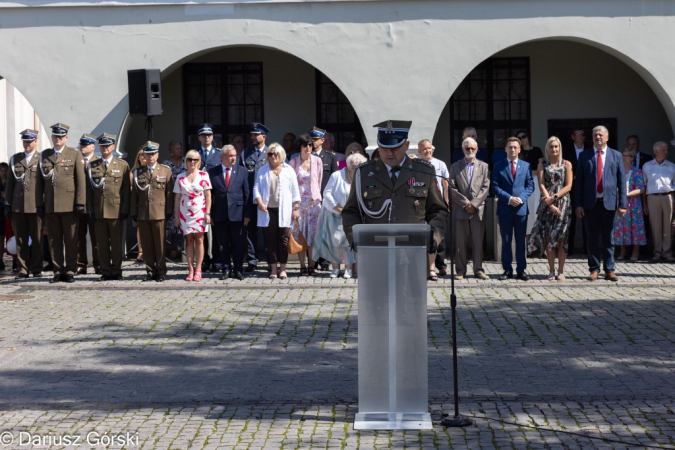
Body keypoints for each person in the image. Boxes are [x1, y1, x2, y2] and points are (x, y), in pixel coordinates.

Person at [342, 120, 448, 280]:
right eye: (384, 148)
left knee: (411, 303)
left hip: (413, 255)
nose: (389, 153)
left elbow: (438, 211)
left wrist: (435, 236)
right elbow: (351, 211)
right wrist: (355, 237)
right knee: (377, 303)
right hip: (375, 255)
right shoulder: (363, 174)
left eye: (395, 148)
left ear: (406, 145)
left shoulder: (424, 172)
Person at [574, 126, 627, 281]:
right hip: (590, 204)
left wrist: (622, 204)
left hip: (609, 203)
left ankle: (609, 269)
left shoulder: (616, 156)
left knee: (609, 238)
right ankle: (594, 269)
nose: (598, 137)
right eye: (595, 135)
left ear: (607, 137)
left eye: (600, 135)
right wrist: (578, 204)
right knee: (591, 238)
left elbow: (622, 182)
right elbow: (579, 184)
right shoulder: (584, 156)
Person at [40, 123, 86, 283]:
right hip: (51, 206)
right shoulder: (45, 156)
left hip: (69, 205)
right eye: (55, 136)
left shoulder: (74, 154)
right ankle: (58, 270)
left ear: (66, 138)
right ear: (52, 138)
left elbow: (81, 180)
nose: (58, 139)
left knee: (71, 239)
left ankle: (71, 270)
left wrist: (80, 202)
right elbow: (40, 182)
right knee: (54, 240)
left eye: (61, 136)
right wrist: (40, 203)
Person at [527, 136, 573, 280]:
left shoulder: (566, 164)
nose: (554, 149)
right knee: (549, 239)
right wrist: (549, 202)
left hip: (563, 204)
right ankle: (551, 270)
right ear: (547, 148)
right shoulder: (542, 164)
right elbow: (541, 184)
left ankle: (561, 271)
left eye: (556, 146)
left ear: (560, 148)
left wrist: (554, 198)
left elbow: (568, 185)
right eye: (551, 146)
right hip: (547, 205)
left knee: (561, 239)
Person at [313, 153, 366, 279]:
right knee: (334, 242)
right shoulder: (337, 175)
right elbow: (327, 193)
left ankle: (348, 269)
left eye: (359, 167)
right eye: (354, 167)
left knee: (348, 242)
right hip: (334, 213)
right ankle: (335, 268)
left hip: (352, 215)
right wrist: (339, 208)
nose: (356, 170)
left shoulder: (362, 177)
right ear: (349, 166)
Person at [86, 133, 130, 281]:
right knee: (102, 244)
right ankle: (105, 270)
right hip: (99, 211)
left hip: (116, 210)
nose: (105, 148)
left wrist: (125, 209)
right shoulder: (92, 166)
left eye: (108, 145)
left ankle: (116, 270)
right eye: (102, 145)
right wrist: (90, 210)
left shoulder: (122, 165)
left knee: (117, 244)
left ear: (113, 146)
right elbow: (88, 191)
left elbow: (125, 190)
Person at [253, 143, 300, 279]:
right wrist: (260, 202)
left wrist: (296, 208)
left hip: (284, 210)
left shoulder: (289, 170)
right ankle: (273, 269)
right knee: (270, 240)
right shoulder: (262, 170)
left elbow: (295, 191)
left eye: (276, 154)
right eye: (270, 154)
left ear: (281, 155)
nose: (273, 157)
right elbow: (256, 188)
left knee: (283, 239)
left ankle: (283, 269)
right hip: (267, 210)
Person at [130, 141, 174, 282]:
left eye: (153, 154)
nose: (150, 157)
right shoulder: (138, 172)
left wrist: (169, 211)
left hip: (160, 212)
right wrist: (133, 212)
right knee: (147, 244)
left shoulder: (165, 170)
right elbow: (134, 195)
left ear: (157, 155)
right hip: (143, 213)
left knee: (160, 244)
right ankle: (150, 270)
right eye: (148, 154)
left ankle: (161, 270)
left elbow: (169, 193)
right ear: (144, 155)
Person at [492, 136, 534, 281]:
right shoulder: (498, 166)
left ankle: (521, 270)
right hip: (505, 208)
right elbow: (495, 187)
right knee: (506, 240)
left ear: (519, 149)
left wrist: (520, 199)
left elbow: (530, 186)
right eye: (510, 147)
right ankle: (507, 269)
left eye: (515, 147)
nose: (512, 149)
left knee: (521, 241)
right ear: (505, 149)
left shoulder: (526, 165)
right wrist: (509, 199)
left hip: (521, 209)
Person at [449, 137, 490, 280]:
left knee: (478, 241)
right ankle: (460, 270)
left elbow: (485, 187)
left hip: (478, 209)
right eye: (468, 148)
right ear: (463, 150)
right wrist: (466, 203)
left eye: (473, 148)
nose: (470, 151)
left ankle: (478, 269)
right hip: (461, 209)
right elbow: (452, 188)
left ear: (477, 150)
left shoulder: (484, 166)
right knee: (460, 242)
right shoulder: (455, 167)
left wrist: (474, 204)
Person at [5, 129, 44, 278]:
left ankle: (36, 268)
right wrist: (8, 204)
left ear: (35, 141)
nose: (27, 144)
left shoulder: (41, 159)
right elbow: (10, 184)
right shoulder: (15, 159)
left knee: (37, 239)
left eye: (29, 141)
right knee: (20, 239)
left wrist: (43, 204)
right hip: (18, 205)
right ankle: (23, 268)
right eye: (25, 141)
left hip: (35, 205)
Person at [208, 145, 250, 280]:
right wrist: (210, 214)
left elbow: (246, 194)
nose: (233, 158)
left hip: (238, 214)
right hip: (219, 213)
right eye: (230, 156)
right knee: (222, 244)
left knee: (238, 243)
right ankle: (226, 268)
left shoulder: (242, 171)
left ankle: (238, 268)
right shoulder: (212, 172)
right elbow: (210, 195)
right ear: (222, 157)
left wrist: (247, 214)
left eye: (234, 155)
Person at [173, 149, 212, 282]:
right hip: (185, 213)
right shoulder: (180, 177)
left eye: (195, 160)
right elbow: (177, 198)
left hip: (200, 211)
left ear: (199, 161)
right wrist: (176, 217)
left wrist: (208, 213)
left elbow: (208, 195)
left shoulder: (204, 175)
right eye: (190, 159)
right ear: (186, 161)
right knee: (188, 240)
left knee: (200, 240)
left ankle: (199, 269)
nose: (193, 162)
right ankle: (190, 269)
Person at [289, 135, 323, 276]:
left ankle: (311, 265)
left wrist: (317, 198)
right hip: (299, 203)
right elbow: (290, 185)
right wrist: (294, 206)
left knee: (313, 235)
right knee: (300, 235)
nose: (308, 148)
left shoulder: (317, 161)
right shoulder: (293, 162)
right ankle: (302, 266)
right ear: (300, 147)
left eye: (310, 145)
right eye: (305, 145)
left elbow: (319, 181)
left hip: (313, 203)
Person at [239, 122, 270, 272]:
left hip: (267, 199)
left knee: (268, 230)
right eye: (251, 135)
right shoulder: (245, 153)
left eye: (255, 135)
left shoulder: (271, 152)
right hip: (250, 198)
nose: (252, 137)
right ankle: (252, 260)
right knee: (250, 231)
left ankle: (271, 260)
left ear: (263, 136)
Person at [418, 138, 450, 279]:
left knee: (439, 236)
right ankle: (426, 267)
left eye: (429, 148)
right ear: (419, 151)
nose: (427, 151)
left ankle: (441, 265)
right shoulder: (417, 165)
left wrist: (447, 201)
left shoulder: (440, 164)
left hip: (438, 203)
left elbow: (445, 183)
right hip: (423, 205)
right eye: (424, 149)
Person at [642, 141, 675, 262]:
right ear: (656, 151)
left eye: (666, 150)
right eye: (664, 150)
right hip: (652, 197)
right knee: (655, 226)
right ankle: (657, 251)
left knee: (668, 225)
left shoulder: (672, 166)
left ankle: (667, 252)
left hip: (668, 196)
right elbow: (643, 186)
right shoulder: (647, 166)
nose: (666, 152)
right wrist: (645, 203)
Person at [613, 148, 646, 261]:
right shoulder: (617, 170)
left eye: (627, 155)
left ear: (632, 158)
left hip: (634, 204)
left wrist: (626, 194)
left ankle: (635, 253)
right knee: (621, 227)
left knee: (636, 228)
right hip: (620, 203)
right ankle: (622, 252)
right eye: (623, 155)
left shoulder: (636, 171)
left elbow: (641, 189)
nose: (624, 157)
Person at [196, 123, 221, 272]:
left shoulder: (219, 153)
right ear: (199, 137)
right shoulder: (194, 154)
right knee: (202, 232)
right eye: (204, 135)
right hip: (199, 198)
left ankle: (217, 260)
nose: (207, 137)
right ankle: (204, 260)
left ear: (212, 137)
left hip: (216, 196)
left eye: (209, 135)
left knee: (217, 231)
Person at [76, 134, 100, 275]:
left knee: (96, 237)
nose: (83, 148)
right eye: (82, 145)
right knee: (79, 238)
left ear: (93, 147)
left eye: (86, 145)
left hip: (94, 206)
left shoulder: (98, 162)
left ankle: (98, 264)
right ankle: (81, 264)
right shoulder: (76, 161)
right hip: (79, 205)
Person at [562, 128, 589, 255]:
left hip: (586, 189)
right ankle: (569, 249)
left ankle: (588, 248)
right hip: (570, 189)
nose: (580, 136)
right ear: (573, 137)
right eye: (578, 134)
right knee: (570, 220)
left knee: (587, 220)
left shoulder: (590, 149)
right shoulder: (566, 150)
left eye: (582, 134)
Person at [515, 130, 544, 243]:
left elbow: (541, 168)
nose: (522, 139)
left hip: (536, 182)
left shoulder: (536, 150)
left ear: (528, 137)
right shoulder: (518, 152)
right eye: (519, 138)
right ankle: (526, 243)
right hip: (522, 184)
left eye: (524, 136)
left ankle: (540, 244)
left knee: (536, 209)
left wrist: (530, 172)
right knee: (526, 211)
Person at [162, 140, 185, 259]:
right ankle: (173, 248)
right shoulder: (166, 164)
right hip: (171, 197)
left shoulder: (186, 162)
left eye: (180, 148)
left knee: (183, 223)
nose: (180, 151)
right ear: (171, 151)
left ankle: (182, 249)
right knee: (171, 224)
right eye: (177, 149)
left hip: (184, 197)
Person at [131, 150, 145, 263]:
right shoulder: (134, 172)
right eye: (141, 155)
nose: (144, 157)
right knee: (140, 228)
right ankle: (141, 251)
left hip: (152, 205)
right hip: (139, 204)